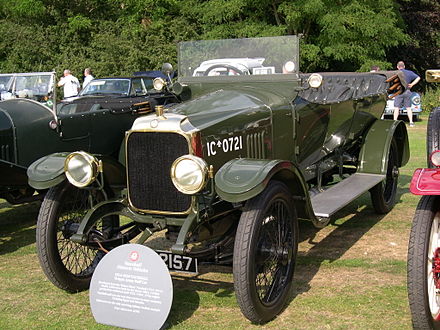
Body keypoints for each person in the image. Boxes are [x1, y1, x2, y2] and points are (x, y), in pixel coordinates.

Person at [393, 61, 420, 127]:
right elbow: (418, 77)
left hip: (399, 92)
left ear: (397, 67)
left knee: (397, 108)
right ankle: (411, 122)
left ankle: (394, 122)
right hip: (407, 91)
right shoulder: (409, 72)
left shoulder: (396, 73)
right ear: (404, 66)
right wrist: (412, 84)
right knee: (408, 108)